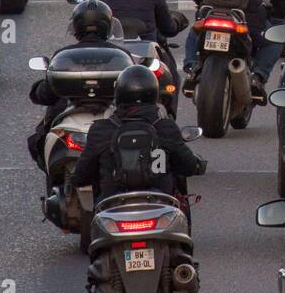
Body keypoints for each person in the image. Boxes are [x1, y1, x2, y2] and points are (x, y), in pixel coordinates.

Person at [70, 65, 206, 204]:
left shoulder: (101, 130)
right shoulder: (165, 127)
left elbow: (80, 177)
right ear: (154, 93)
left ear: (119, 93)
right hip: (160, 207)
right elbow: (188, 167)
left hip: (112, 209)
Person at [27, 0, 130, 170]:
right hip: (114, 117)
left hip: (69, 117)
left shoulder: (64, 56)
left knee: (39, 138)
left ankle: (54, 180)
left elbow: (45, 94)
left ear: (76, 27)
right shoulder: (122, 55)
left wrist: (38, 89)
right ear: (108, 26)